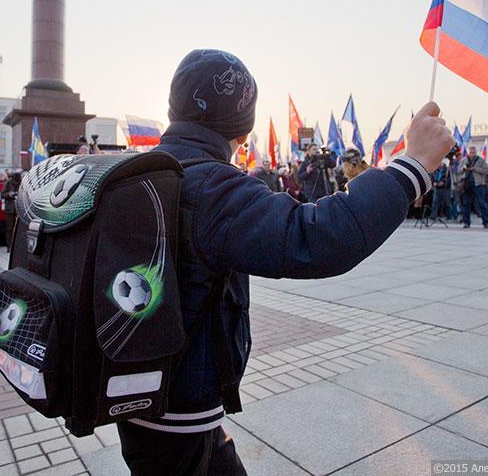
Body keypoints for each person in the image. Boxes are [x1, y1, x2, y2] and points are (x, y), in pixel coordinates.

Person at [116, 49, 454, 476]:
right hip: (180, 410)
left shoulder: (142, 169)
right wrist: (413, 166)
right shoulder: (208, 185)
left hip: (144, 392)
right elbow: (314, 236)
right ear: (242, 126)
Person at [460, 146, 488, 228]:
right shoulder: (464, 160)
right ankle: (466, 222)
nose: (472, 154)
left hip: (478, 184)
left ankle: (486, 222)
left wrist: (475, 169)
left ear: (476, 152)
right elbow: (458, 171)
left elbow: (487, 170)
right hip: (467, 184)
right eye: (470, 153)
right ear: (468, 152)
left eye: (473, 153)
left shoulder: (481, 160)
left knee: (482, 203)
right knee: (466, 204)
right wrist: (463, 169)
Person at [2, 171, 22, 249]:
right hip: (9, 209)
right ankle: (9, 246)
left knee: (19, 229)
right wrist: (9, 194)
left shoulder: (22, 184)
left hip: (19, 209)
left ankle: (18, 247)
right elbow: (2, 194)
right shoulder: (7, 183)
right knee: (9, 228)